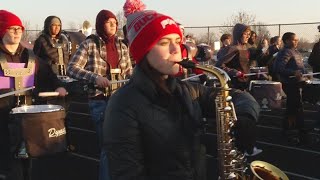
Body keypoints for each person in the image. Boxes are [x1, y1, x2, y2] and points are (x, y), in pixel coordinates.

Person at [102, 1, 261, 179]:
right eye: (164, 42)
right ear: (143, 51)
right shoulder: (123, 105)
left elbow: (241, 98)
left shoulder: (188, 90)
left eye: (178, 41)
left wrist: (246, 118)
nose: (176, 49)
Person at [0, 10, 66, 180]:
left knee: (29, 165)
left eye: (19, 29)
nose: (16, 32)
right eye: (11, 28)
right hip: (2, 120)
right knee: (8, 167)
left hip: (27, 119)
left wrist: (59, 87)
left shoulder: (31, 57)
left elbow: (49, 75)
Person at [67, 9, 132, 180]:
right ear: (100, 24)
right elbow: (71, 68)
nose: (113, 25)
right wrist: (94, 77)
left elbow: (129, 73)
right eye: (108, 22)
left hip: (120, 102)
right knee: (108, 145)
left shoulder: (122, 46)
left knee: (123, 145)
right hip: (100, 101)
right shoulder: (89, 44)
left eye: (115, 22)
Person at [273, 32, 308, 144]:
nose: (296, 41)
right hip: (290, 83)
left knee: (293, 107)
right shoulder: (285, 52)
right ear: (287, 40)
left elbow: (300, 68)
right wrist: (293, 72)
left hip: (297, 83)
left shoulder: (296, 51)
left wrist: (306, 74)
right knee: (296, 107)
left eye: (297, 39)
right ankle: (296, 130)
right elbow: (278, 68)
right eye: (294, 40)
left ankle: (289, 130)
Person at [215, 23, 254, 90]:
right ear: (239, 34)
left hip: (246, 83)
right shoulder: (233, 48)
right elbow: (219, 65)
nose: (248, 37)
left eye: (249, 34)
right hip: (234, 85)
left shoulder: (247, 48)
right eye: (245, 34)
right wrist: (235, 72)